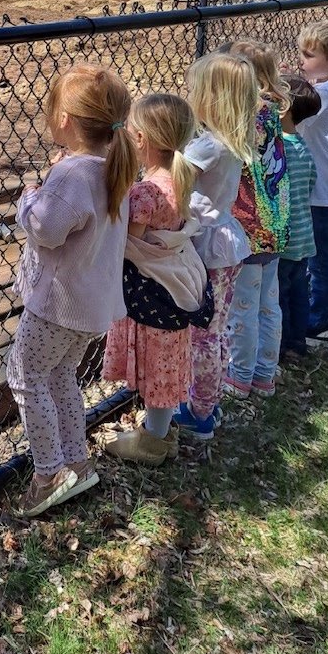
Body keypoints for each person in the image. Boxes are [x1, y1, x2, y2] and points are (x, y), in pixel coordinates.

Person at [6, 63, 138, 516]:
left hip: (56, 305)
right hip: (91, 305)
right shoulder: (113, 165)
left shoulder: (70, 176)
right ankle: (76, 463)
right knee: (61, 376)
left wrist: (29, 196)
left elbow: (46, 228)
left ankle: (48, 473)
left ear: (64, 118)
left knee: (25, 377)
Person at [102, 93, 201, 465]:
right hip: (171, 287)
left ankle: (152, 444)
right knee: (168, 357)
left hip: (149, 291)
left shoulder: (147, 191)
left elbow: (134, 242)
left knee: (158, 362)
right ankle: (159, 428)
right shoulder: (181, 177)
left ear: (141, 139)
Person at [176, 52, 259, 439]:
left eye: (194, 89)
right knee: (215, 328)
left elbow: (173, 183)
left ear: (212, 98)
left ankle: (199, 413)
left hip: (203, 244)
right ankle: (208, 400)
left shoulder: (207, 146)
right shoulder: (233, 139)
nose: (189, 94)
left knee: (201, 333)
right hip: (225, 240)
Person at [220, 41, 291, 402]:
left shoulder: (249, 115)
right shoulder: (273, 110)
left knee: (242, 308)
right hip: (275, 224)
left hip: (247, 228)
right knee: (267, 304)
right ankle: (264, 375)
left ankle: (239, 376)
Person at [296, 19, 328, 346]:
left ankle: (320, 324)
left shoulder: (324, 93)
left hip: (325, 195)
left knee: (322, 261)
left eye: (308, 56)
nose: (302, 62)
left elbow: (293, 121)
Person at [277, 73, 321, 363]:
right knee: (298, 292)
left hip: (284, 237)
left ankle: (278, 346)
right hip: (305, 237)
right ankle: (297, 342)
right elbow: (311, 181)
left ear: (283, 108)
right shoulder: (302, 145)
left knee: (278, 294)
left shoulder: (278, 147)